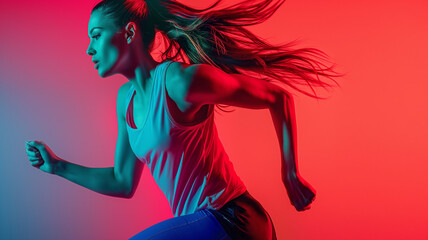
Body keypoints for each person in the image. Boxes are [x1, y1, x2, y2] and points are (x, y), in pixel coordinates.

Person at [25, 0, 341, 239]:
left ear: (130, 32)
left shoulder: (179, 82)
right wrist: (57, 166)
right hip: (207, 227)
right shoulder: (126, 101)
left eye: (96, 35)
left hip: (233, 219)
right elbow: (123, 182)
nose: (89, 49)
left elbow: (277, 97)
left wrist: (289, 173)